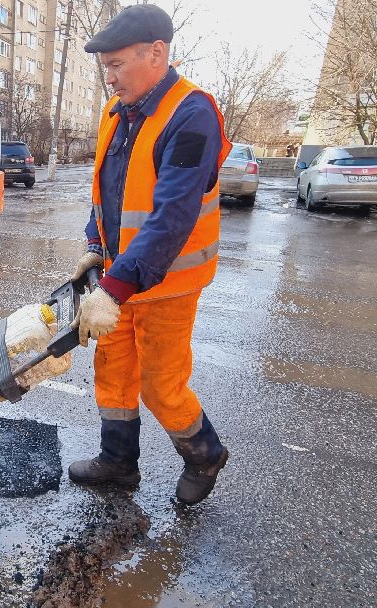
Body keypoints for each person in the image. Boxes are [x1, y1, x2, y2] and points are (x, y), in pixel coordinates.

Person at [69, 4, 232, 505]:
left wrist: (114, 288)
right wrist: (96, 246)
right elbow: (107, 192)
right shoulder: (117, 114)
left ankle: (205, 453)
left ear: (156, 53)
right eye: (106, 68)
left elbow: (173, 216)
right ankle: (119, 463)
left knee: (162, 385)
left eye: (117, 65)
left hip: (167, 284)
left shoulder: (192, 114)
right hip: (120, 276)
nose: (110, 78)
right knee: (114, 373)